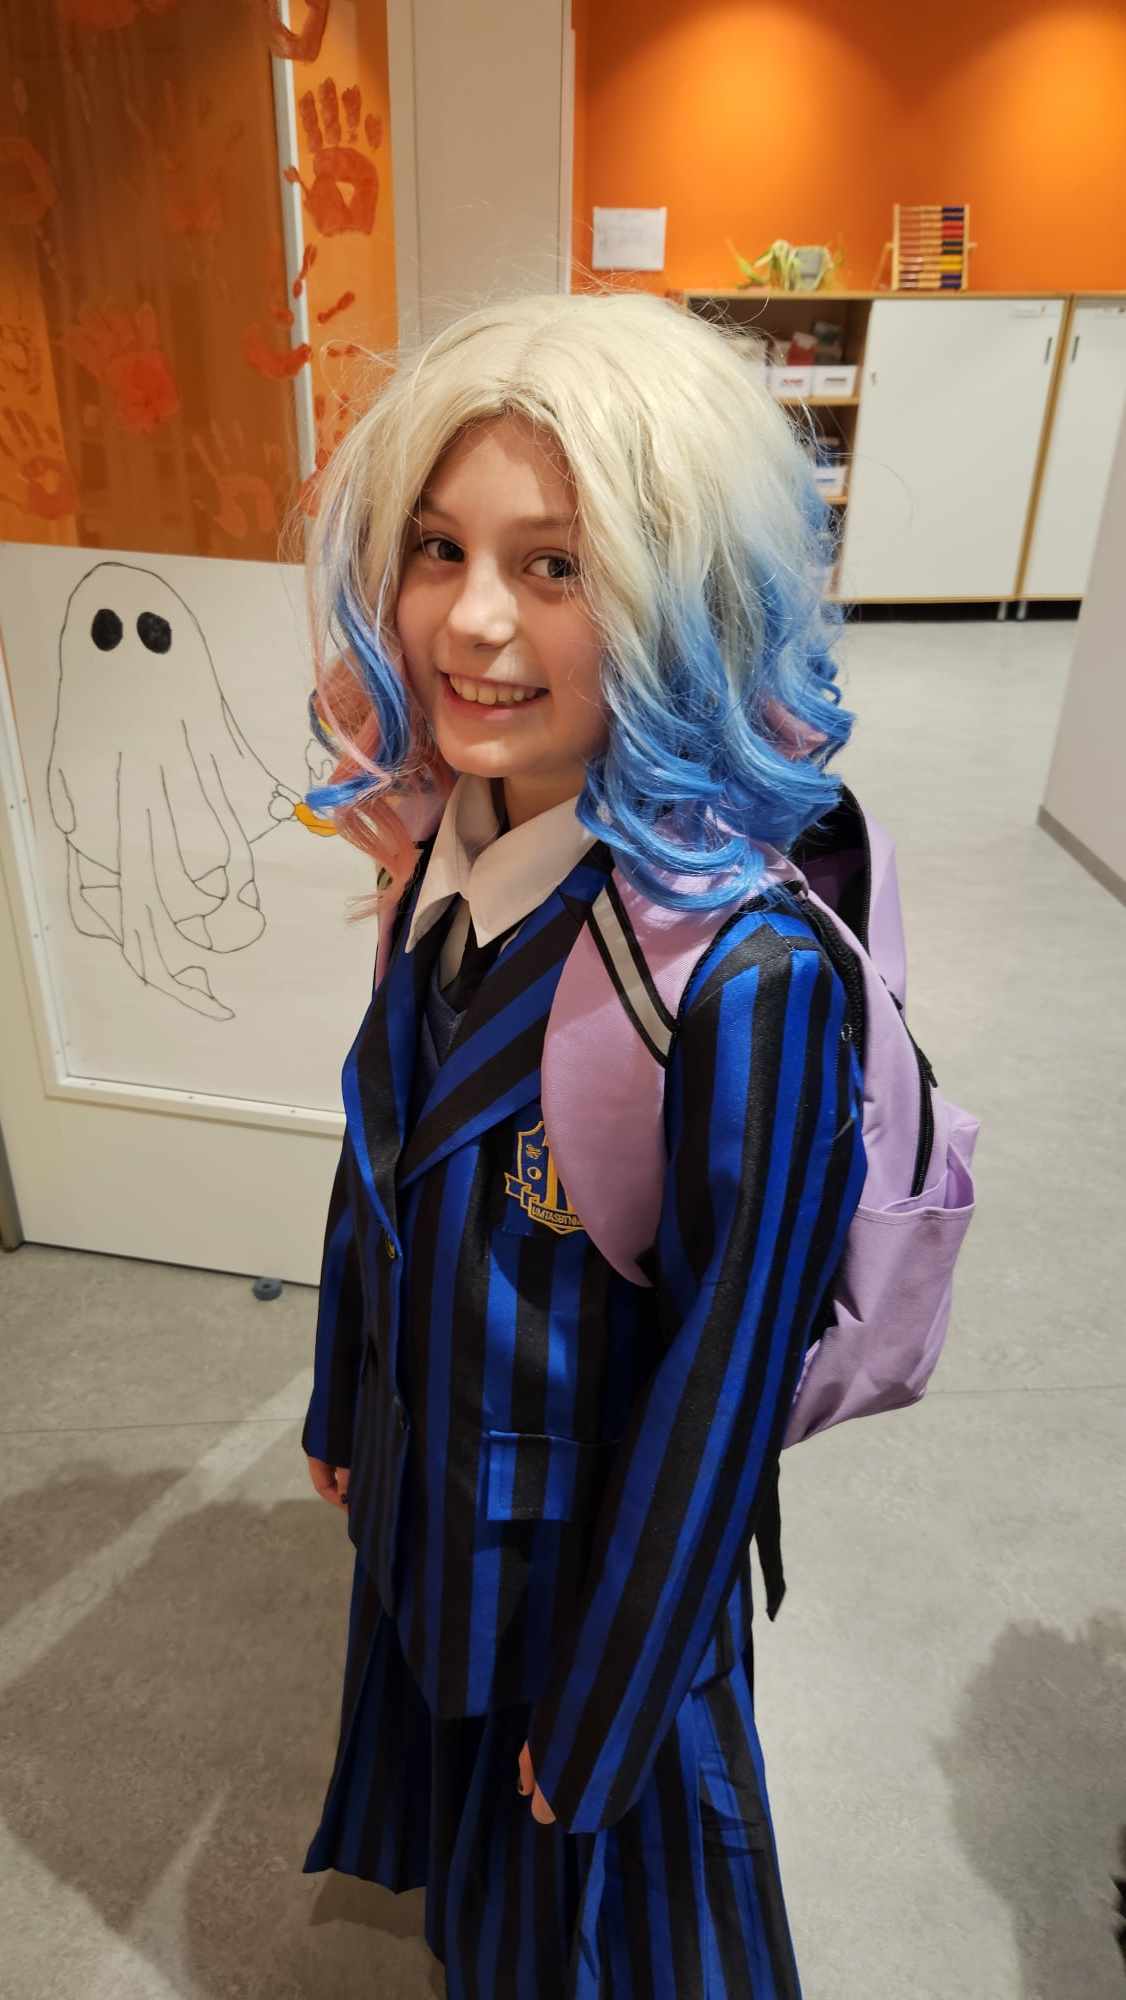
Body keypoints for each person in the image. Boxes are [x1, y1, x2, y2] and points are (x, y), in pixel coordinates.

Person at [298, 288, 867, 1998]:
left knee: (610, 1936)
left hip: (591, 1586)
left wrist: (617, 1697)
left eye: (554, 565)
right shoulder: (437, 848)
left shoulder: (744, 976)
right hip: (438, 1512)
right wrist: (340, 1391)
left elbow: (723, 1382)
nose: (472, 621)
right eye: (438, 548)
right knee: (481, 1907)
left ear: (684, 597)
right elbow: (377, 1151)